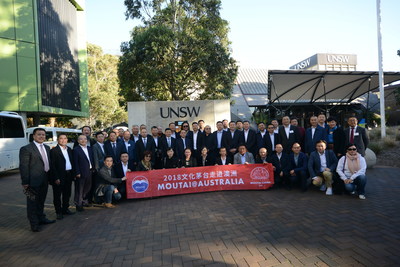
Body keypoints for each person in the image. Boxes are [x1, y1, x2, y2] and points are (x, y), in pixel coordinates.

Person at [20, 128, 55, 232]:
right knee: (32, 203)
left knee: (41, 201)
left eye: (43, 135)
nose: (41, 136)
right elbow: (24, 166)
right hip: (32, 182)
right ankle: (34, 224)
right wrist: (25, 182)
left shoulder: (47, 147)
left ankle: (41, 218)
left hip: (44, 179)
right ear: (34, 136)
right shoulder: (26, 149)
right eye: (39, 134)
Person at [50, 134, 74, 220]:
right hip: (59, 176)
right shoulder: (54, 151)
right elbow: (52, 166)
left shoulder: (70, 150)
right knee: (57, 195)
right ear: (58, 140)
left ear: (67, 140)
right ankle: (58, 212)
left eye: (65, 138)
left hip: (68, 175)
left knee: (67, 193)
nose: (63, 140)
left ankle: (65, 209)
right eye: (61, 138)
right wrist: (56, 178)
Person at [73, 134, 95, 211]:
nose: (83, 140)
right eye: (81, 139)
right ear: (78, 141)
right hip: (81, 173)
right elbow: (75, 162)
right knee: (79, 189)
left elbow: (91, 159)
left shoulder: (89, 148)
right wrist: (77, 172)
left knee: (87, 188)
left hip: (89, 171)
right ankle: (78, 204)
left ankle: (83, 201)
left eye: (85, 139)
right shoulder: (76, 150)